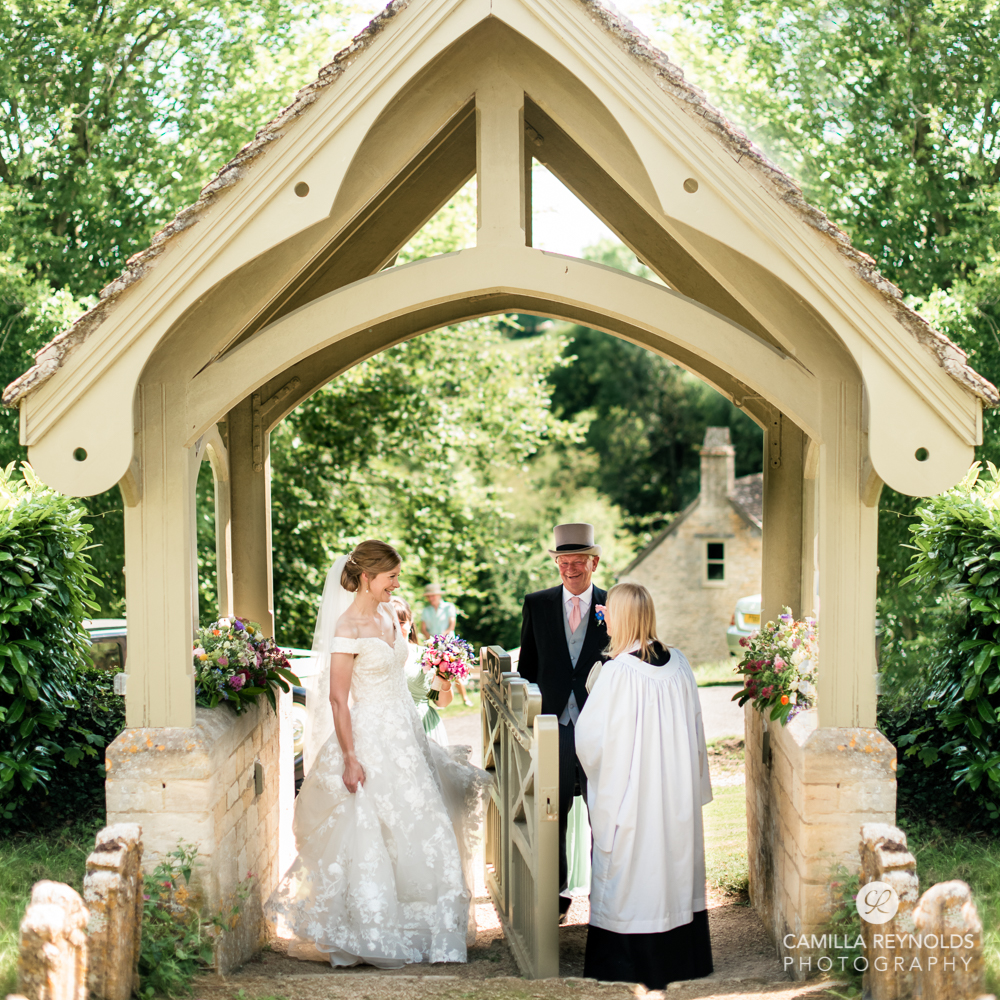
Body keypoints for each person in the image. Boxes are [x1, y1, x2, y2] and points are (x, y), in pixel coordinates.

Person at [266, 540, 489, 967]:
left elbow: (402, 674)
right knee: (373, 829)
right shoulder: (347, 627)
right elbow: (337, 699)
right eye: (391, 577)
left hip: (406, 734)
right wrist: (351, 757)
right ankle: (372, 930)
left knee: (426, 826)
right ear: (367, 577)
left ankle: (432, 931)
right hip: (369, 738)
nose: (396, 585)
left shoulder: (389, 614)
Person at [575, 581, 714, 990]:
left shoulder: (618, 672)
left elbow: (592, 741)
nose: (605, 619)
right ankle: (680, 961)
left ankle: (629, 967)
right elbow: (696, 728)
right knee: (673, 866)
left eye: (609, 612)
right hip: (675, 793)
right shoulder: (680, 664)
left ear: (622, 617)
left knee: (632, 869)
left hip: (634, 795)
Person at [517, 522, 607, 919]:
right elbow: (527, 668)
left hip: (600, 727)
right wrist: (530, 722)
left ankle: (606, 896)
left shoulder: (613, 604)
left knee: (603, 811)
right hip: (553, 726)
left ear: (594, 563)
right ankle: (556, 897)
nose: (570, 569)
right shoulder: (536, 604)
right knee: (553, 811)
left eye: (578, 562)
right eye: (563, 562)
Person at [393, 595, 451, 746]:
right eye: (391, 623)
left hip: (424, 727)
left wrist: (445, 684)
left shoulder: (427, 656)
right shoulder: (375, 657)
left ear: (410, 624)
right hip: (390, 728)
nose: (397, 629)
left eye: (401, 623)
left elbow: (442, 703)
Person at [421, 584, 472, 706]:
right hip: (434, 646)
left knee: (454, 670)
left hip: (449, 645)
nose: (431, 598)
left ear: (439, 595)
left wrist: (441, 639)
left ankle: (465, 698)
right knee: (435, 673)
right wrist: (432, 641)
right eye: (429, 596)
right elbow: (423, 629)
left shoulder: (449, 607)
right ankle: (438, 700)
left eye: (433, 595)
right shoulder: (426, 611)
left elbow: (451, 626)